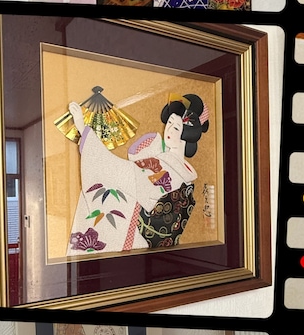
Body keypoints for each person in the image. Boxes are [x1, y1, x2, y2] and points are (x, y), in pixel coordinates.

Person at [66, 92, 208, 253]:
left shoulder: (169, 167)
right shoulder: (179, 171)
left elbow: (123, 173)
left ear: (186, 135)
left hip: (133, 237)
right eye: (169, 122)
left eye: (176, 127)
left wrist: (83, 129)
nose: (169, 129)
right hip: (140, 242)